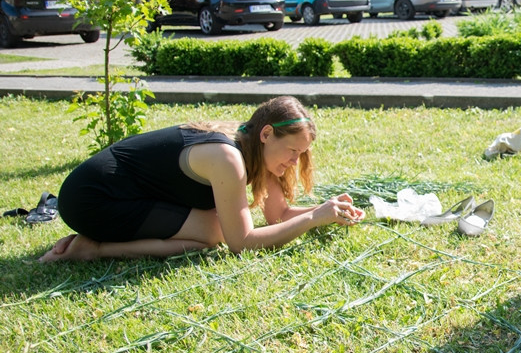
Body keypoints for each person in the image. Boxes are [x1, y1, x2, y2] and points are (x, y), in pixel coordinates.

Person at [40, 95, 364, 262]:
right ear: (267, 134)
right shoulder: (227, 158)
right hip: (93, 199)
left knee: (215, 227)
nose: (295, 162)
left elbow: (276, 215)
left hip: (115, 193)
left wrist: (326, 212)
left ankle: (97, 246)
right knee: (216, 231)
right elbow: (242, 243)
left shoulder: (253, 146)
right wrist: (311, 217)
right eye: (293, 152)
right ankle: (94, 249)